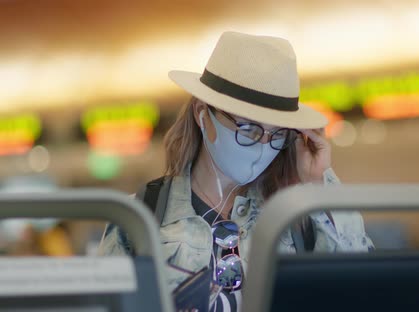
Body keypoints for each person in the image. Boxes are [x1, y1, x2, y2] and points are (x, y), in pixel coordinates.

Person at [99, 31, 373, 311]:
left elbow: (360, 292)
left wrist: (317, 185)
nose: (264, 146)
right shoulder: (141, 215)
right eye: (248, 129)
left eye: (277, 134)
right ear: (202, 115)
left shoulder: (295, 215)